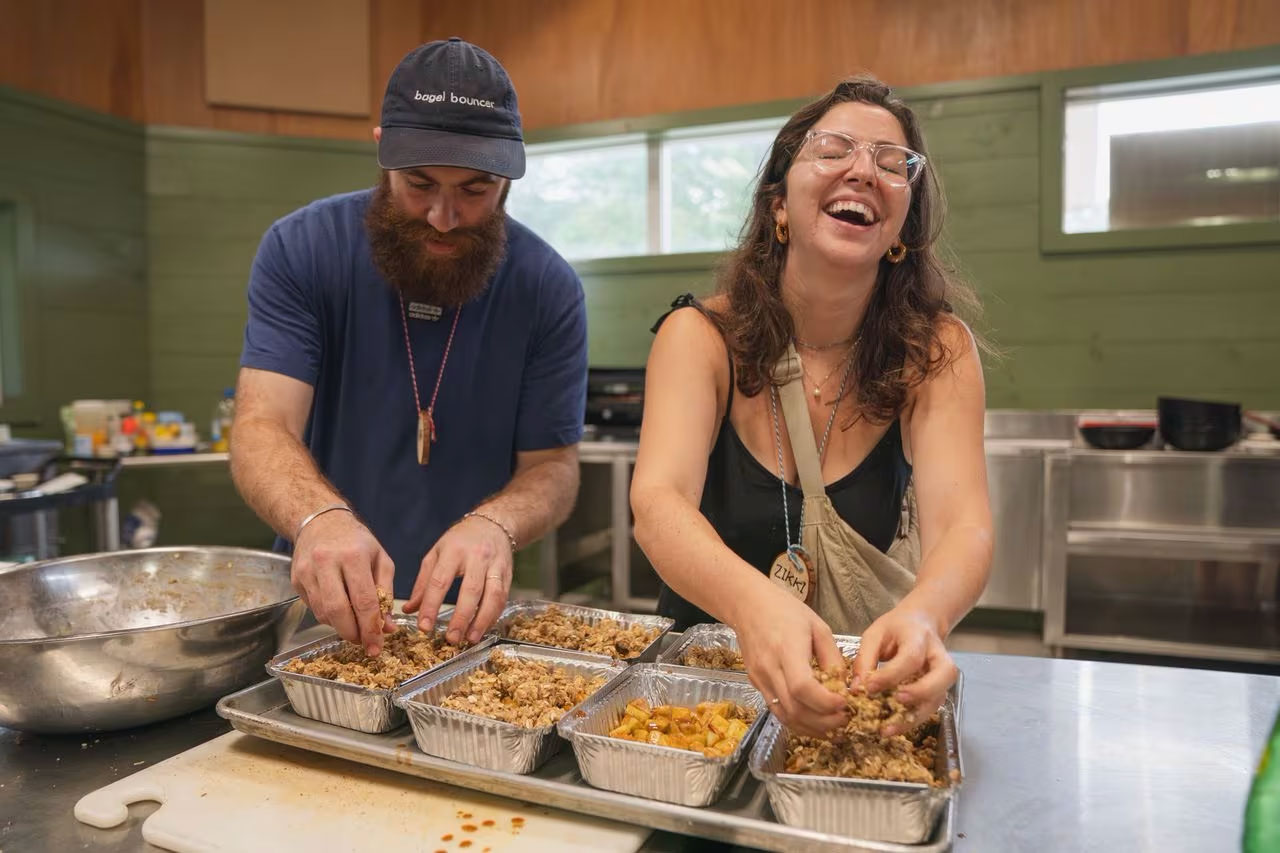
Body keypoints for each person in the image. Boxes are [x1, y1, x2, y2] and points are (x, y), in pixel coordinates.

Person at [630, 76, 992, 738]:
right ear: (780, 203)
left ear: (900, 229)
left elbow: (964, 526)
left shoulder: (938, 350)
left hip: (847, 706)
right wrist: (755, 607)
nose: (863, 170)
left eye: (892, 164)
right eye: (834, 150)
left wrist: (925, 616)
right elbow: (658, 505)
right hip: (698, 705)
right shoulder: (700, 338)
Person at [230, 38, 587, 658]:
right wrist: (320, 519)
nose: (443, 217)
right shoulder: (301, 249)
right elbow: (261, 424)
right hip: (322, 604)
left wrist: (496, 523)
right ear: (382, 153)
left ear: (509, 176)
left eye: (475, 190)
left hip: (467, 617)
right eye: (419, 185)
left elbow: (553, 468)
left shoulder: (546, 286)